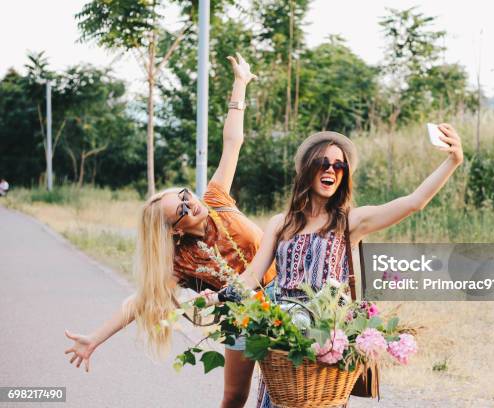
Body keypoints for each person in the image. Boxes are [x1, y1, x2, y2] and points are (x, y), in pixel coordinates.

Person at [64, 53, 276, 408]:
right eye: (181, 210)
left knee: (291, 387)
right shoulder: (182, 261)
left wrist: (240, 83)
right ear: (176, 232)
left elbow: (232, 142)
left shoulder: (216, 199)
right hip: (244, 317)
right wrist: (95, 339)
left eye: (184, 195)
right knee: (234, 397)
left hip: (286, 298)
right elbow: (142, 301)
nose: (190, 202)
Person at [202, 126, 464, 407]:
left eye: (339, 165)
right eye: (323, 163)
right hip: (282, 340)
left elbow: (414, 202)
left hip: (326, 341)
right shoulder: (282, 223)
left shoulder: (349, 222)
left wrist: (453, 161)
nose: (331, 170)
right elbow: (254, 274)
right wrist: (216, 296)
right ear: (307, 169)